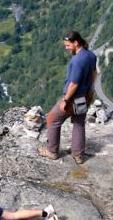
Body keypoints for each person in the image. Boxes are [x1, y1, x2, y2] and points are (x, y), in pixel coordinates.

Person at [39, 30, 97, 165]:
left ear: (76, 43)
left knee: (52, 119)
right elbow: (94, 73)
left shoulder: (77, 60)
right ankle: (78, 155)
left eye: (68, 45)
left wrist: (65, 100)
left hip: (73, 98)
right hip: (85, 96)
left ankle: (52, 151)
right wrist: (90, 90)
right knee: (79, 123)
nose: (66, 48)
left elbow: (74, 84)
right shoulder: (91, 56)